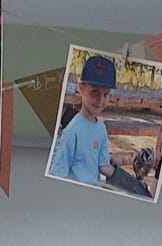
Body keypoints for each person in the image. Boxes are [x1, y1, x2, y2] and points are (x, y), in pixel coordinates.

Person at [49, 52, 117, 188]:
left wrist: (128, 181)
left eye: (106, 94)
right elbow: (58, 173)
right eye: (95, 92)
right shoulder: (72, 131)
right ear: (81, 88)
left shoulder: (101, 128)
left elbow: (103, 166)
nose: (100, 101)